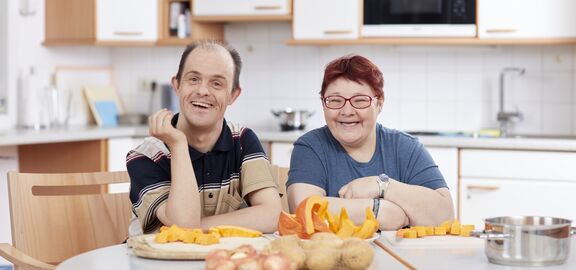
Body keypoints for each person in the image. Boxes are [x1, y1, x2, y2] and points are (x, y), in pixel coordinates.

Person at [126, 40, 282, 235]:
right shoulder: (146, 156)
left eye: (216, 83)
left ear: (233, 95)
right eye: (193, 79)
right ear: (177, 85)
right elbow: (182, 224)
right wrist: (178, 145)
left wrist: (196, 226)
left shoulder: (243, 141)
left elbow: (272, 215)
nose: (202, 91)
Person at [286, 54, 454, 230]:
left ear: (379, 103)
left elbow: (445, 216)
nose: (347, 111)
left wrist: (382, 186)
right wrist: (378, 211)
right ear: (323, 104)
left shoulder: (406, 148)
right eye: (335, 101)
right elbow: (305, 210)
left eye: (360, 101)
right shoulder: (311, 147)